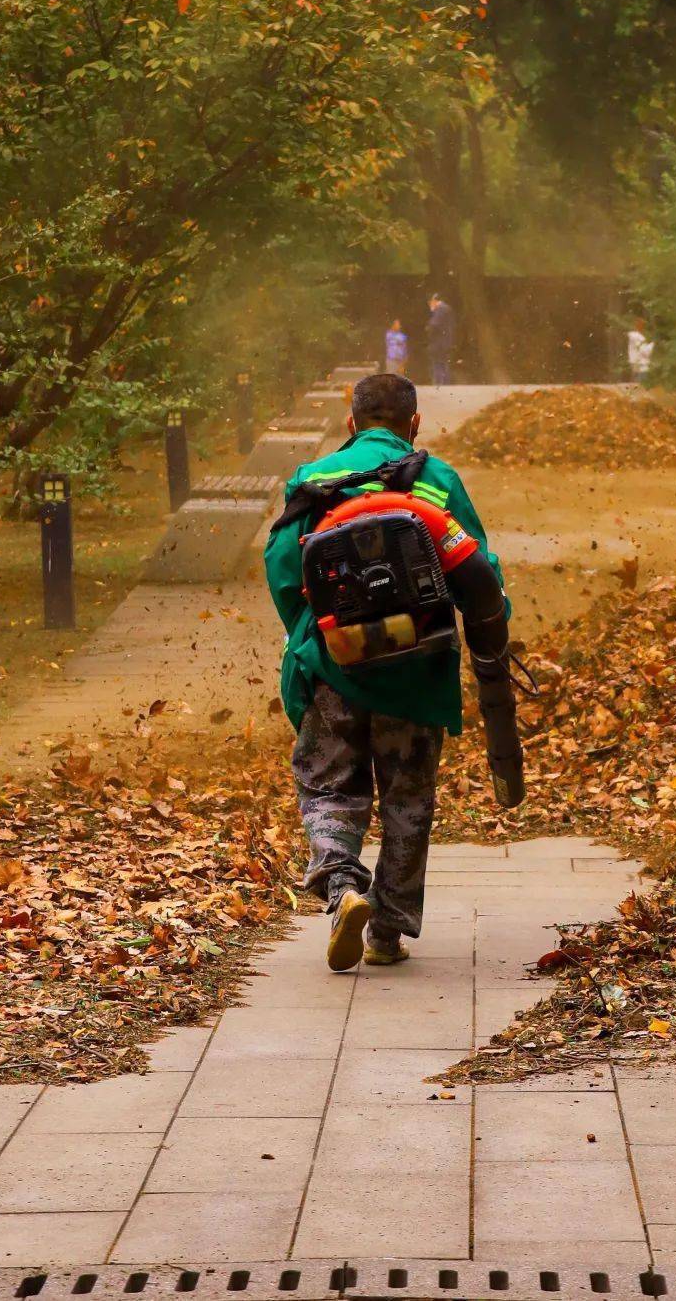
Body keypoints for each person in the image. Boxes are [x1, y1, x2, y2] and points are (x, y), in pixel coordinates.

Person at [263, 372, 510, 973]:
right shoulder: (437, 479)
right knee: (407, 799)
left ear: (351, 424)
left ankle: (342, 883)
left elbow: (280, 566)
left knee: (328, 785)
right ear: (415, 424)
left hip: (335, 668)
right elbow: (480, 571)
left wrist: (317, 636)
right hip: (417, 671)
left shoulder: (314, 479)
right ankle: (386, 932)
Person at [426, 292, 455, 385]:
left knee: (438, 363)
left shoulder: (440, 309)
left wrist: (428, 328)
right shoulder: (447, 308)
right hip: (446, 341)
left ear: (433, 301)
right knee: (444, 363)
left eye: (430, 303)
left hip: (438, 343)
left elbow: (434, 324)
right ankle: (444, 384)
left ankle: (439, 384)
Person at [627, 317, 655, 382]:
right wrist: (653, 344)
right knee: (640, 384)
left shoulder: (637, 337)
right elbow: (644, 351)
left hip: (637, 362)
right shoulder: (637, 337)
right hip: (640, 363)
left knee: (637, 382)